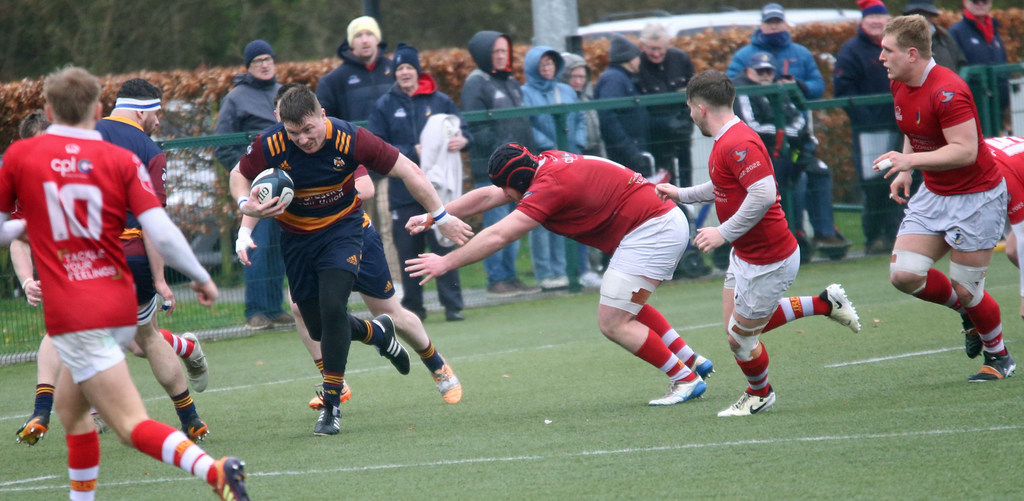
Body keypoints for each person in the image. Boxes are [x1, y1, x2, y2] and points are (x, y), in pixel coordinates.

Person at [0, 66, 248, 500]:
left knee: (128, 425)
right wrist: (200, 276)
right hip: (116, 300)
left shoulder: (22, 157)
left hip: (76, 310)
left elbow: (5, 228)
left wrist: (27, 227)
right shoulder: (123, 159)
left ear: (46, 110)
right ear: (97, 109)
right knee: (72, 413)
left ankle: (215, 472)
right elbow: (162, 230)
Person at [230, 85, 472, 435]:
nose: (303, 139)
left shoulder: (351, 138)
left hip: (345, 231)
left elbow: (410, 172)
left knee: (355, 310)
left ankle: (421, 369)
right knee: (317, 324)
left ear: (322, 115)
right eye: (293, 132)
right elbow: (240, 176)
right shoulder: (271, 143)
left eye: (309, 130)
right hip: (297, 240)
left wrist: (442, 215)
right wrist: (244, 213)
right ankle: (376, 334)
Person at [405, 143, 716, 406]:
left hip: (653, 228)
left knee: (613, 322)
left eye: (506, 187)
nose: (503, 193)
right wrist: (436, 216)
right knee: (623, 304)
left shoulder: (550, 186)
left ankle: (684, 379)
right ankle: (692, 361)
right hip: (657, 221)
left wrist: (445, 263)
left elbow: (500, 235)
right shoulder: (545, 163)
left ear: (520, 180)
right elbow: (487, 196)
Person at [16, 81, 214, 446]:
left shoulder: (71, 140)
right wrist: (166, 277)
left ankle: (45, 411)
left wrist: (30, 270)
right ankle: (191, 419)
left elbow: (18, 227)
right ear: (141, 111)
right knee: (145, 338)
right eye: (156, 113)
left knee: (66, 334)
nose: (159, 120)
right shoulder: (144, 151)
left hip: (74, 256)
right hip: (129, 255)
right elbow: (155, 225)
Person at [655, 70, 861, 417]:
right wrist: (681, 194)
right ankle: (825, 303)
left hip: (770, 258)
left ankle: (760, 394)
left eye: (690, 108)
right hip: (747, 254)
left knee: (740, 338)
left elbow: (763, 194)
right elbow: (722, 187)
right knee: (734, 328)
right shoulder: (727, 140)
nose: (690, 115)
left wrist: (723, 232)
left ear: (700, 108)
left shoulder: (737, 143)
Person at [238, 163, 464, 406]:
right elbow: (252, 189)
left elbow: (367, 188)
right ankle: (334, 383)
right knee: (300, 309)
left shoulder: (330, 140)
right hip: (309, 244)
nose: (291, 128)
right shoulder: (276, 148)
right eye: (284, 123)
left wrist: (316, 200)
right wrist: (244, 232)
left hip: (355, 236)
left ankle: (436, 364)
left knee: (392, 314)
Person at [876, 15, 1014, 381]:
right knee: (904, 275)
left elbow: (966, 151)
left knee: (968, 290)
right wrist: (906, 170)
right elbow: (913, 127)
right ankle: (967, 313)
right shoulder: (900, 82)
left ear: (911, 54)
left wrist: (910, 160)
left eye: (887, 51)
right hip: (935, 192)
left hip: (976, 198)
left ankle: (999, 356)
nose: (881, 58)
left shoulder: (948, 91)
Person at [367, 42, 470, 321]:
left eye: (409, 67)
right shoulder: (385, 105)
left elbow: (461, 126)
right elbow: (377, 146)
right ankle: (414, 310)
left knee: (443, 245)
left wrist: (464, 139)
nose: (405, 73)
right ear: (395, 73)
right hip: (403, 192)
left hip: (437, 193)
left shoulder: (439, 100)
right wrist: (412, 151)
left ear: (417, 71)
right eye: (400, 68)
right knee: (408, 253)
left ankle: (453, 306)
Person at [213, 39, 293, 330]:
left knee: (280, 248)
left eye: (268, 58)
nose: (264, 64)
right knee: (256, 245)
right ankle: (256, 312)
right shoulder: (236, 98)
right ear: (248, 66)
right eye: (258, 60)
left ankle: (275, 308)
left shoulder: (282, 92)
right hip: (257, 187)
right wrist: (247, 176)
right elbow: (222, 145)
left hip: (286, 184)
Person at [733, 52, 848, 251]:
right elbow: (751, 126)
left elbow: (799, 119)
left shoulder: (780, 87)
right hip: (761, 156)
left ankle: (825, 233)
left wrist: (786, 134)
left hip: (791, 151)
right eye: (760, 71)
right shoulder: (742, 90)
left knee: (820, 170)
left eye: (768, 71)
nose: (764, 75)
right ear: (749, 71)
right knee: (796, 179)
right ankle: (792, 232)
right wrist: (784, 133)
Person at [461, 30, 539, 297]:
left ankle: (511, 276)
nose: (501, 56)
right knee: (496, 225)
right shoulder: (475, 84)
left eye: (504, 51)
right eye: (496, 52)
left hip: (519, 172)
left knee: (513, 226)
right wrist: (502, 154)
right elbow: (477, 128)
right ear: (484, 54)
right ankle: (497, 279)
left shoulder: (511, 82)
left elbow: (522, 122)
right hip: (494, 172)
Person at [834, 1, 904, 254]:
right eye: (870, 17)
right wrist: (866, 120)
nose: (876, 21)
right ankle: (874, 237)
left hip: (901, 126)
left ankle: (897, 235)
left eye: (880, 16)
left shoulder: (898, 45)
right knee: (875, 183)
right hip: (870, 130)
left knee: (905, 177)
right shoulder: (851, 50)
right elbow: (844, 89)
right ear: (862, 22)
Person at [521, 46, 584, 290]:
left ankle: (565, 270)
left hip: (570, 160)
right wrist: (551, 145)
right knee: (538, 218)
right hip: (541, 163)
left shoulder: (566, 90)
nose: (547, 68)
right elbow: (527, 123)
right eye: (542, 64)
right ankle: (546, 274)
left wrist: (574, 145)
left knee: (565, 215)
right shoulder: (525, 92)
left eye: (551, 64)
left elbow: (578, 118)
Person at [636, 22, 695, 187]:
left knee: (685, 177)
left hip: (681, 128)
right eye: (651, 49)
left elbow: (693, 92)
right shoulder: (637, 64)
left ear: (668, 44)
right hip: (654, 135)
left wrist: (687, 121)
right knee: (661, 180)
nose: (656, 54)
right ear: (642, 46)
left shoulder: (680, 58)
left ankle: (687, 210)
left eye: (660, 48)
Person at [727, 3, 826, 100]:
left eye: (777, 22)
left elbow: (818, 86)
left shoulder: (802, 53)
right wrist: (756, 84)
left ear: (785, 24)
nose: (773, 26)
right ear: (761, 25)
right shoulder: (743, 55)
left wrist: (798, 86)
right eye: (769, 22)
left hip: (796, 113)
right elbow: (730, 87)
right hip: (758, 114)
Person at [594, 34, 652, 178]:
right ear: (629, 58)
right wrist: (631, 151)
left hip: (630, 150)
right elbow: (607, 117)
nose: (640, 60)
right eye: (637, 56)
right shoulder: (614, 80)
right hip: (625, 155)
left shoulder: (622, 78)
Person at [316, 16, 394, 122]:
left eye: (369, 34)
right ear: (351, 42)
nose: (364, 40)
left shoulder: (396, 71)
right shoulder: (332, 81)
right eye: (358, 36)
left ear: (377, 39)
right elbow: (325, 123)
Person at [948, 0, 1009, 132]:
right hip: (973, 107)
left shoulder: (994, 30)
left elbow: (1003, 62)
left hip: (998, 108)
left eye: (985, 1)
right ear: (965, 2)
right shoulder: (956, 32)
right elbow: (953, 68)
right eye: (975, 1)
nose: (980, 4)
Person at [903, 1, 968, 72]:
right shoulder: (901, 41)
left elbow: (961, 65)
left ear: (932, 16)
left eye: (925, 15)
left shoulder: (944, 38)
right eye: (915, 14)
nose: (920, 19)